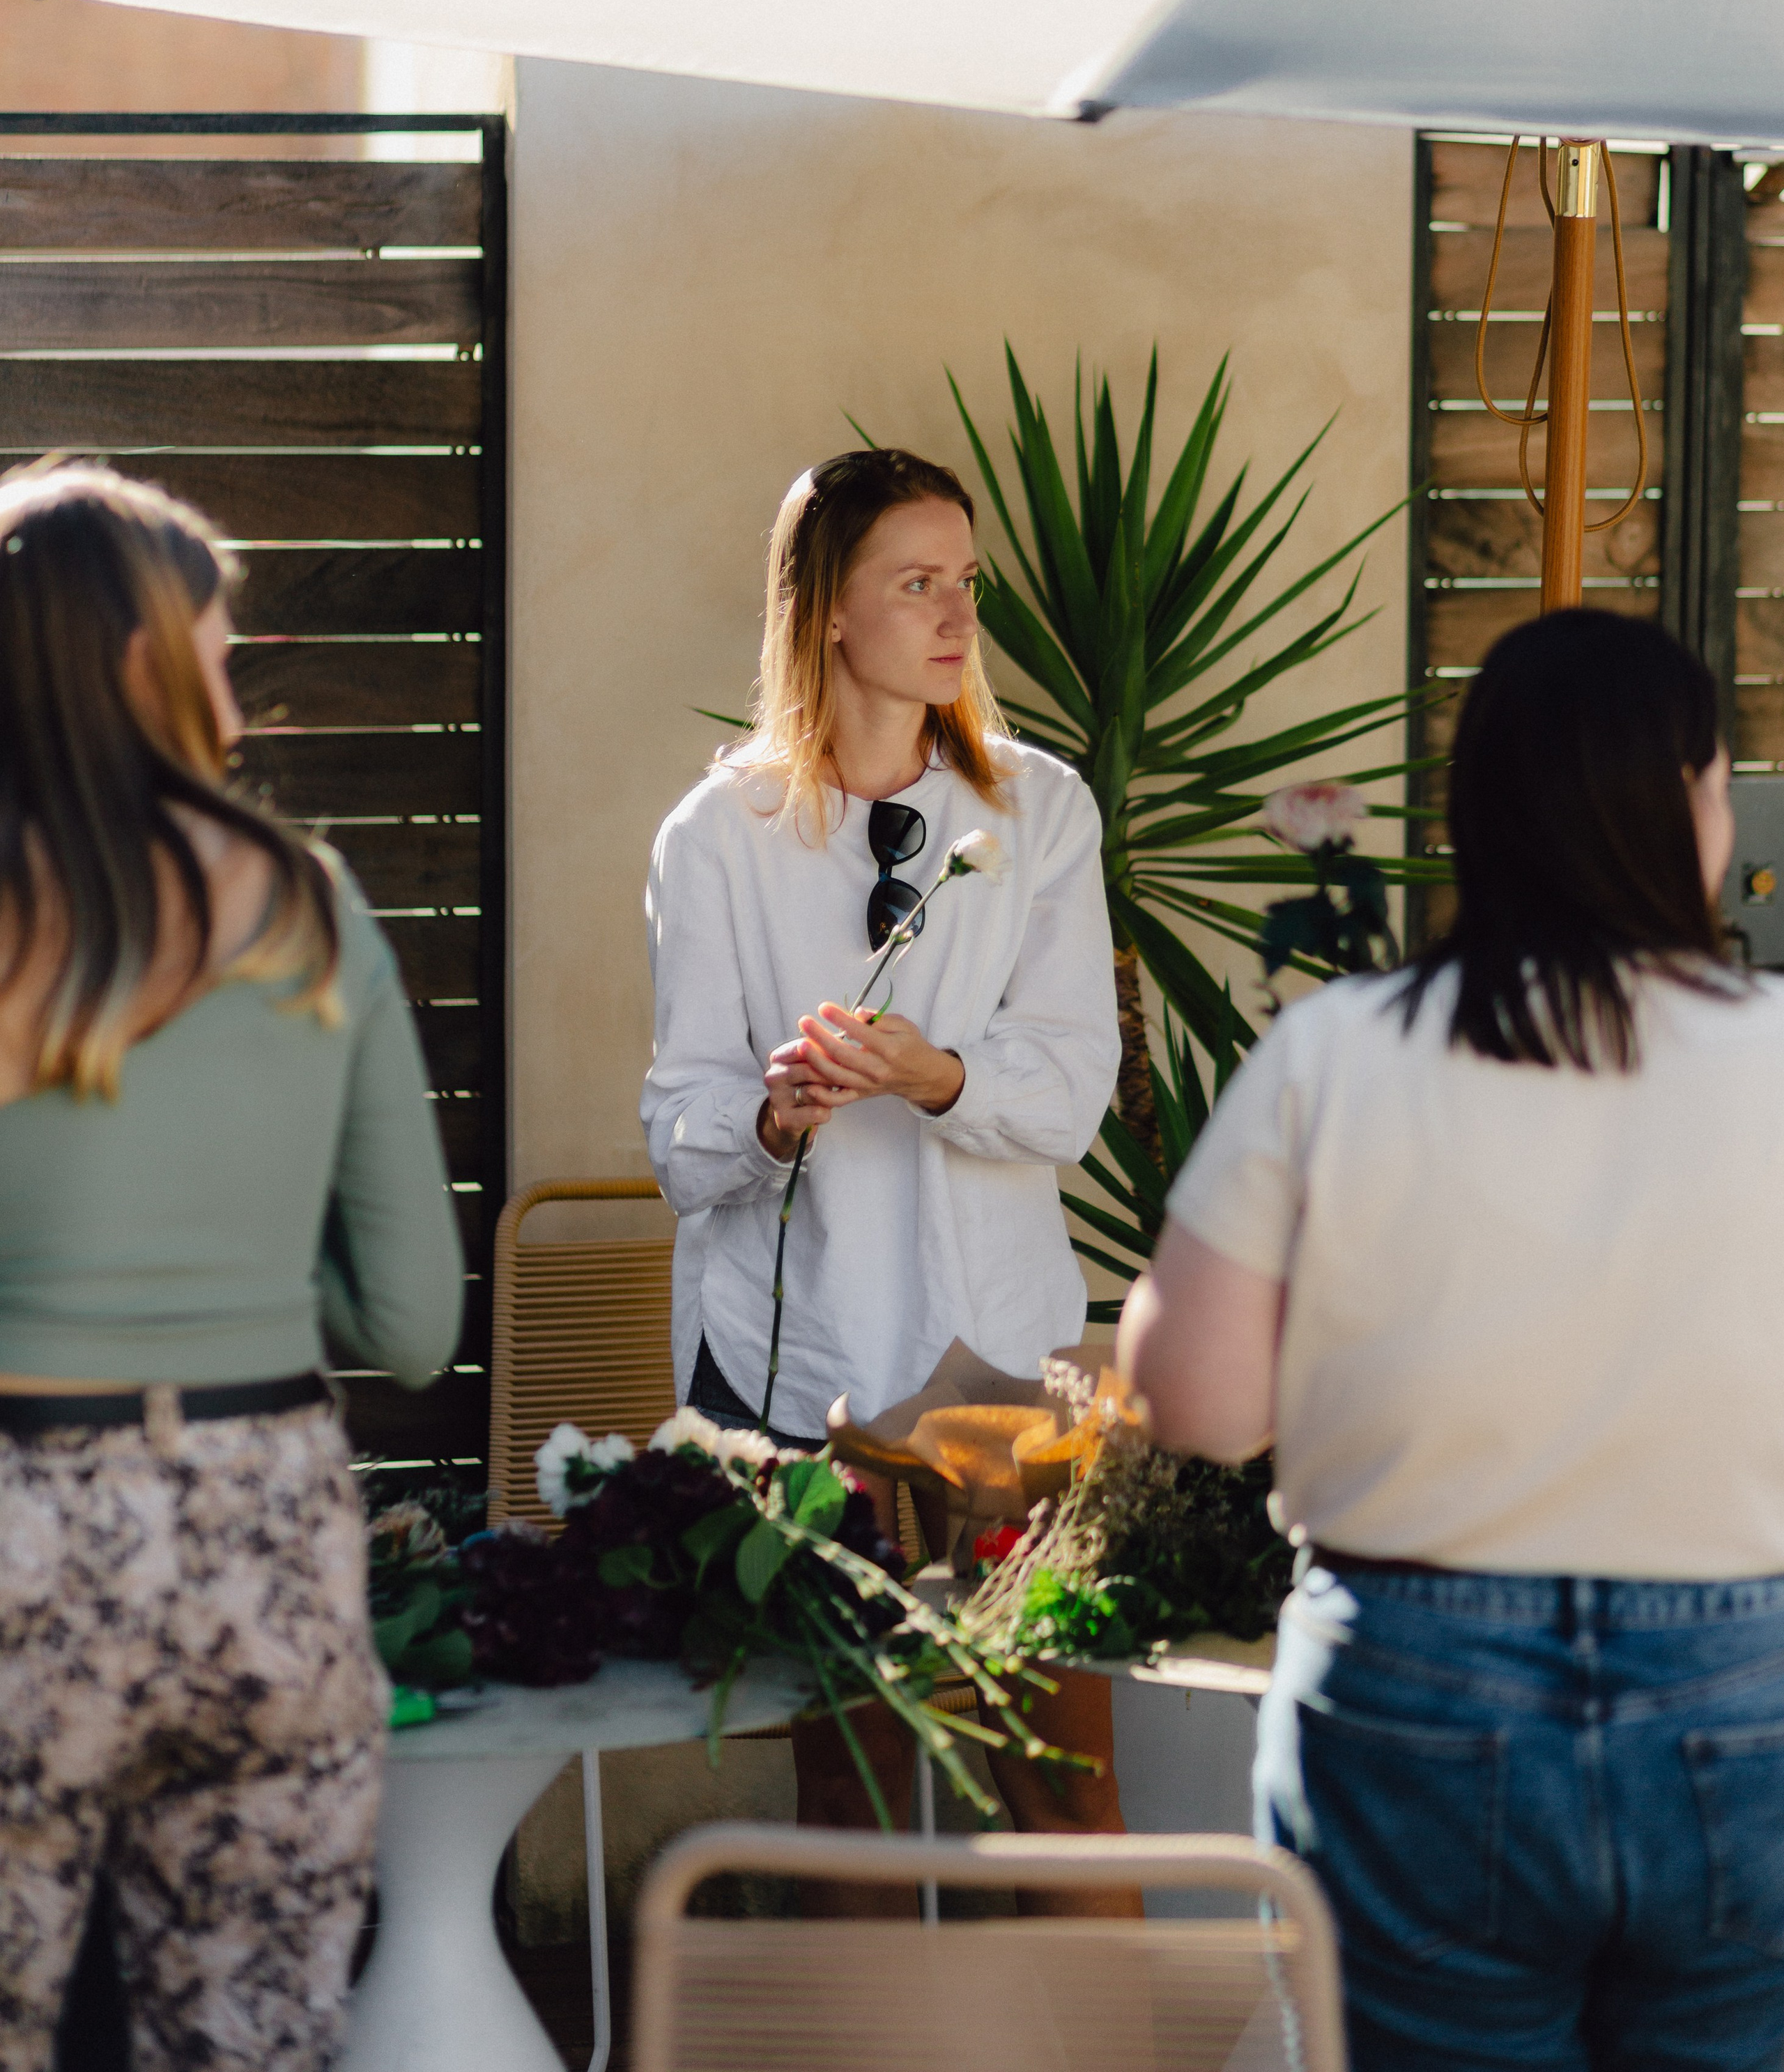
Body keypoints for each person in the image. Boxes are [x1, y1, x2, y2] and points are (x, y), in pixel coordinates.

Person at [1116, 606, 1784, 2070]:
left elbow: (1195, 1402)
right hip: (1747, 1690)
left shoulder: (1337, 1050)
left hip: (1413, 1690)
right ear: (1689, 806)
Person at [0, 463, 463, 2072]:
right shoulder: (313, 906)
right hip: (263, 1535)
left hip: (19, 1527)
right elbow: (416, 1321)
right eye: (220, 654)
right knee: (253, 2039)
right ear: (145, 662)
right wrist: (258, 1265)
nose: (241, 701)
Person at [642, 444, 1129, 1896]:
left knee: (1061, 1783)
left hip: (1001, 1366)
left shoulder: (1039, 810)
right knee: (847, 1802)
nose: (957, 614)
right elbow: (678, 1128)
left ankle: (1104, 2014)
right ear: (827, 611)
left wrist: (939, 1076)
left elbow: (1071, 1092)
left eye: (965, 580)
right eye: (917, 583)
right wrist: (774, 1117)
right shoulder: (717, 836)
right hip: (798, 1367)